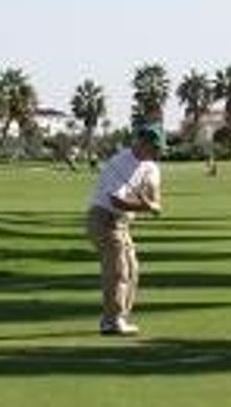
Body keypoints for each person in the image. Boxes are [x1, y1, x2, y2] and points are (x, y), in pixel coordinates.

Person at [85, 124, 164, 336]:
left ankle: (120, 317)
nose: (156, 152)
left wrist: (152, 204)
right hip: (103, 219)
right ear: (141, 143)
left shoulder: (151, 167)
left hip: (122, 223)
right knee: (118, 270)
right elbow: (116, 201)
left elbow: (155, 198)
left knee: (132, 270)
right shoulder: (121, 162)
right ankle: (111, 321)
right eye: (153, 147)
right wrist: (144, 207)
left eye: (159, 148)